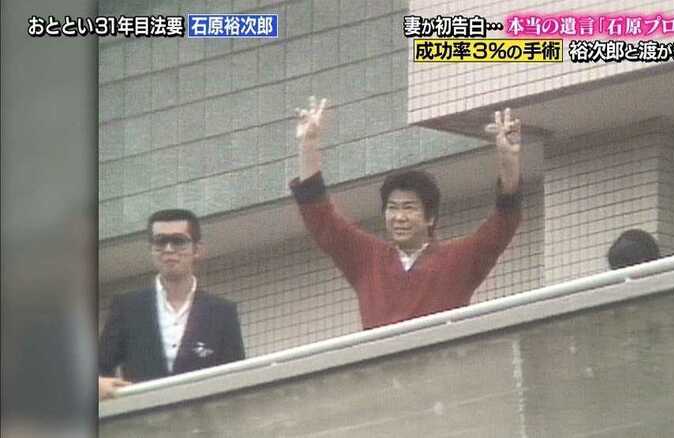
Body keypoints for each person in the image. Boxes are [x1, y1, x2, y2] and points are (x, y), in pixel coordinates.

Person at [288, 96, 524, 329]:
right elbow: (322, 219)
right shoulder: (367, 259)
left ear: (430, 217)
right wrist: (308, 145)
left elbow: (502, 224)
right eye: (392, 208)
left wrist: (509, 160)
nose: (399, 217)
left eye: (409, 208)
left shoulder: (457, 261)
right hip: (382, 355)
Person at [98, 209, 245, 400]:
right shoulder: (127, 308)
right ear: (151, 249)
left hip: (204, 416)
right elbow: (99, 366)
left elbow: (237, 377)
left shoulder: (222, 312)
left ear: (197, 250)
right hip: (142, 415)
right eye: (160, 241)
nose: (168, 249)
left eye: (178, 241)